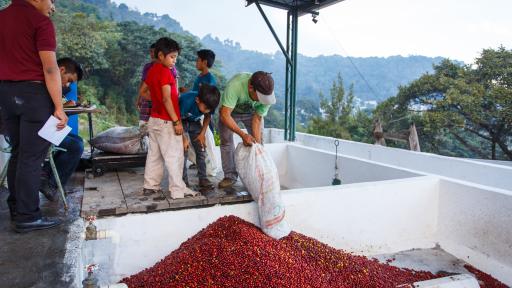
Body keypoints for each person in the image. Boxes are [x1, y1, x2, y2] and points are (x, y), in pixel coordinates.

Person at [0, 0, 68, 233]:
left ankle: (16, 208)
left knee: (18, 153)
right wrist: (59, 107)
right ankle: (28, 216)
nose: (52, 6)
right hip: (33, 95)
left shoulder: (2, 17)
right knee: (31, 157)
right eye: (51, 0)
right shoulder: (40, 22)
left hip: (6, 93)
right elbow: (50, 68)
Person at [139, 37, 198, 199]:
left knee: (154, 155)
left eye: (176, 57)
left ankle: (150, 186)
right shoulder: (166, 72)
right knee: (174, 156)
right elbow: (166, 99)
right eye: (172, 57)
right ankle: (178, 190)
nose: (174, 61)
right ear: (160, 55)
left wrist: (156, 99)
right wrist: (177, 122)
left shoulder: (152, 71)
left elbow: (143, 92)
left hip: (154, 120)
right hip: (166, 121)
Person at [218, 71, 276, 189]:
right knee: (226, 141)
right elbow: (225, 115)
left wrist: (257, 144)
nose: (262, 101)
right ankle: (230, 176)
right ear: (250, 88)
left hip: (252, 114)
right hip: (230, 112)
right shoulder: (235, 86)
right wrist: (243, 135)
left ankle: (258, 174)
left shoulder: (267, 92)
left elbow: (257, 118)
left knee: (258, 145)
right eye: (259, 97)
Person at [39, 57, 84, 201]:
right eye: (69, 79)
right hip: (35, 129)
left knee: (76, 139)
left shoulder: (51, 82)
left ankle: (45, 173)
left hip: (41, 126)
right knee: (76, 146)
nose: (68, 84)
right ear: (62, 70)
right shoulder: (46, 80)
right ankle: (51, 185)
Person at [180, 84, 221, 189]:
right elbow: (177, 120)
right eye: (206, 108)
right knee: (183, 151)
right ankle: (183, 181)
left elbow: (208, 116)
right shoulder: (186, 100)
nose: (208, 110)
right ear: (197, 100)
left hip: (195, 122)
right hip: (180, 121)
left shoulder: (209, 104)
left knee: (201, 149)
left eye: (210, 109)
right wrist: (184, 138)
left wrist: (202, 134)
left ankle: (203, 178)